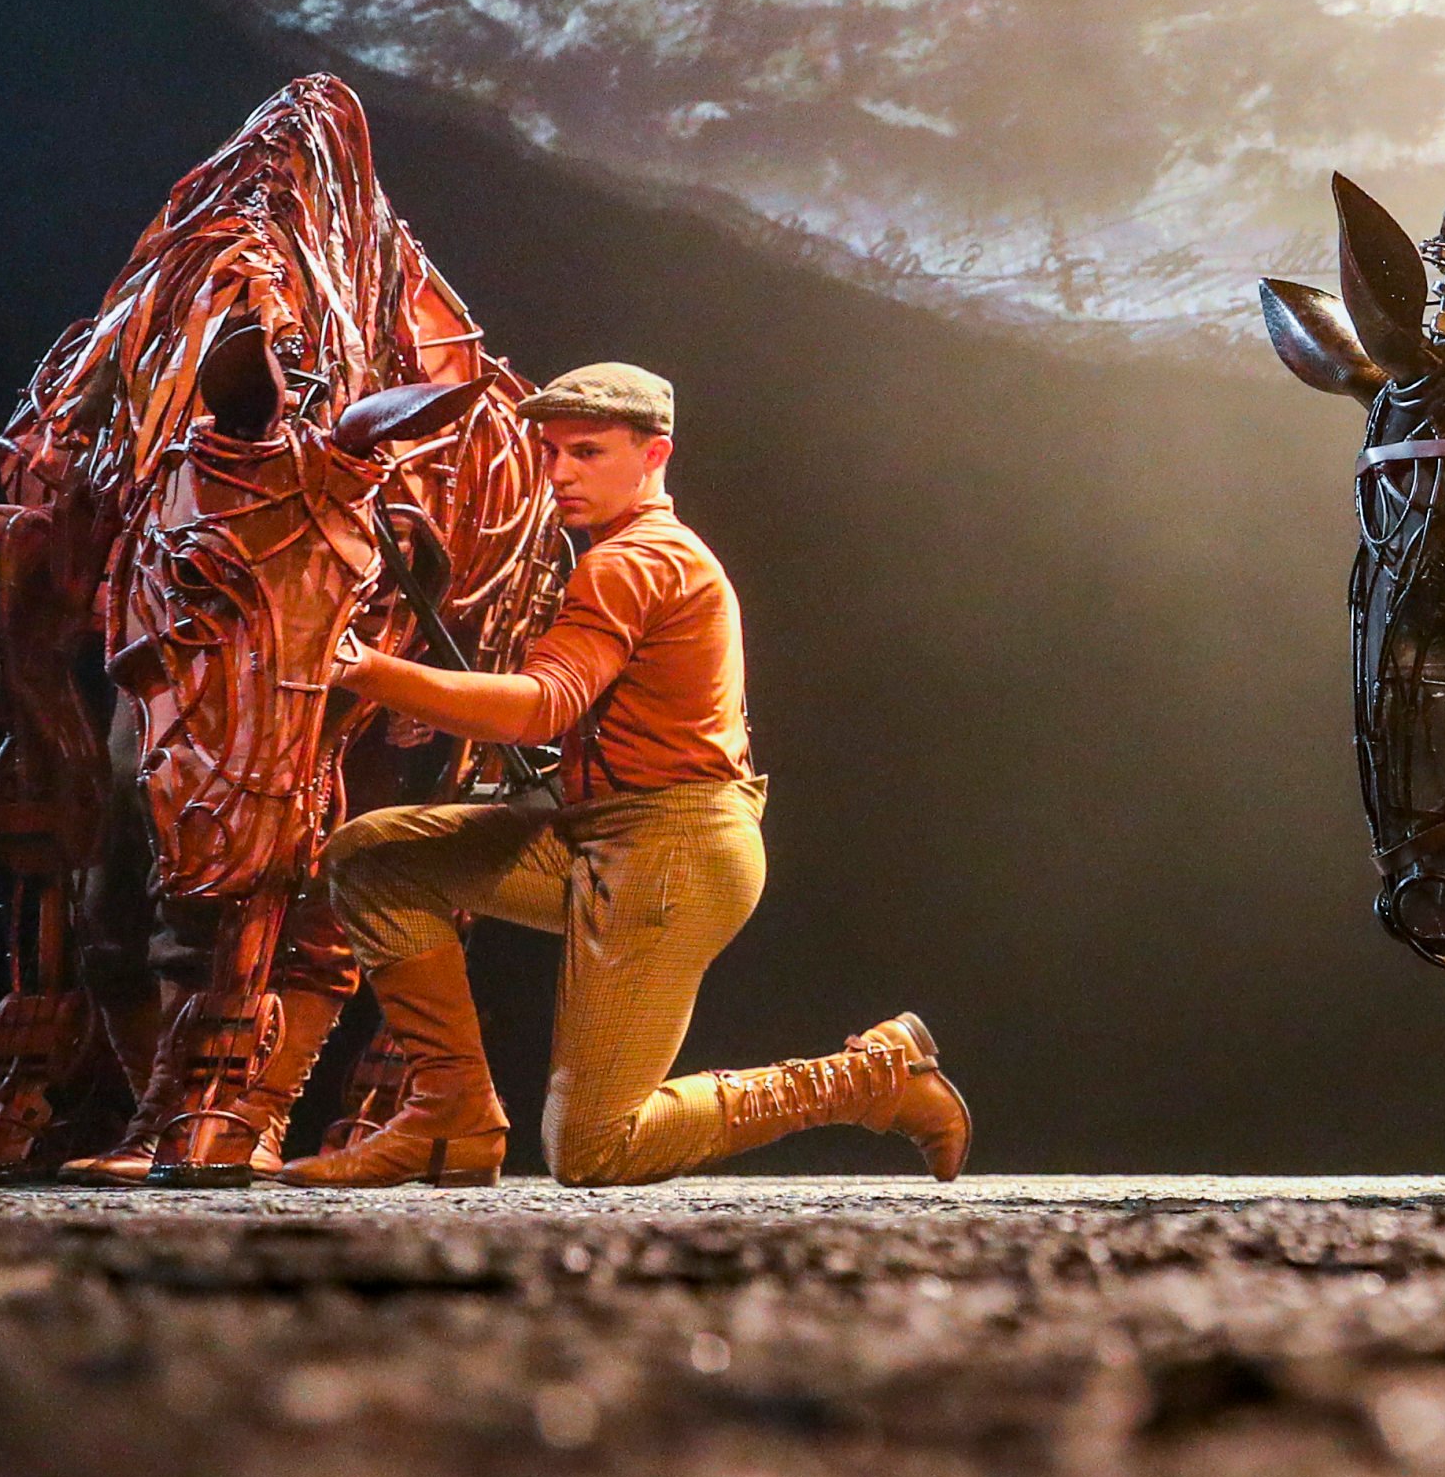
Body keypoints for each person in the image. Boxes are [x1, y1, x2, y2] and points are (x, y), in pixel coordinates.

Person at [279, 363, 971, 1188]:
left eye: (587, 451)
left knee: (593, 1149)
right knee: (377, 857)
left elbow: (541, 707)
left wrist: (363, 668)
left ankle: (869, 1078)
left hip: (671, 853)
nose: (560, 473)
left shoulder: (631, 562)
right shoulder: (635, 554)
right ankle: (449, 1113)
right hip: (604, 838)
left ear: (654, 455)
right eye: (550, 452)